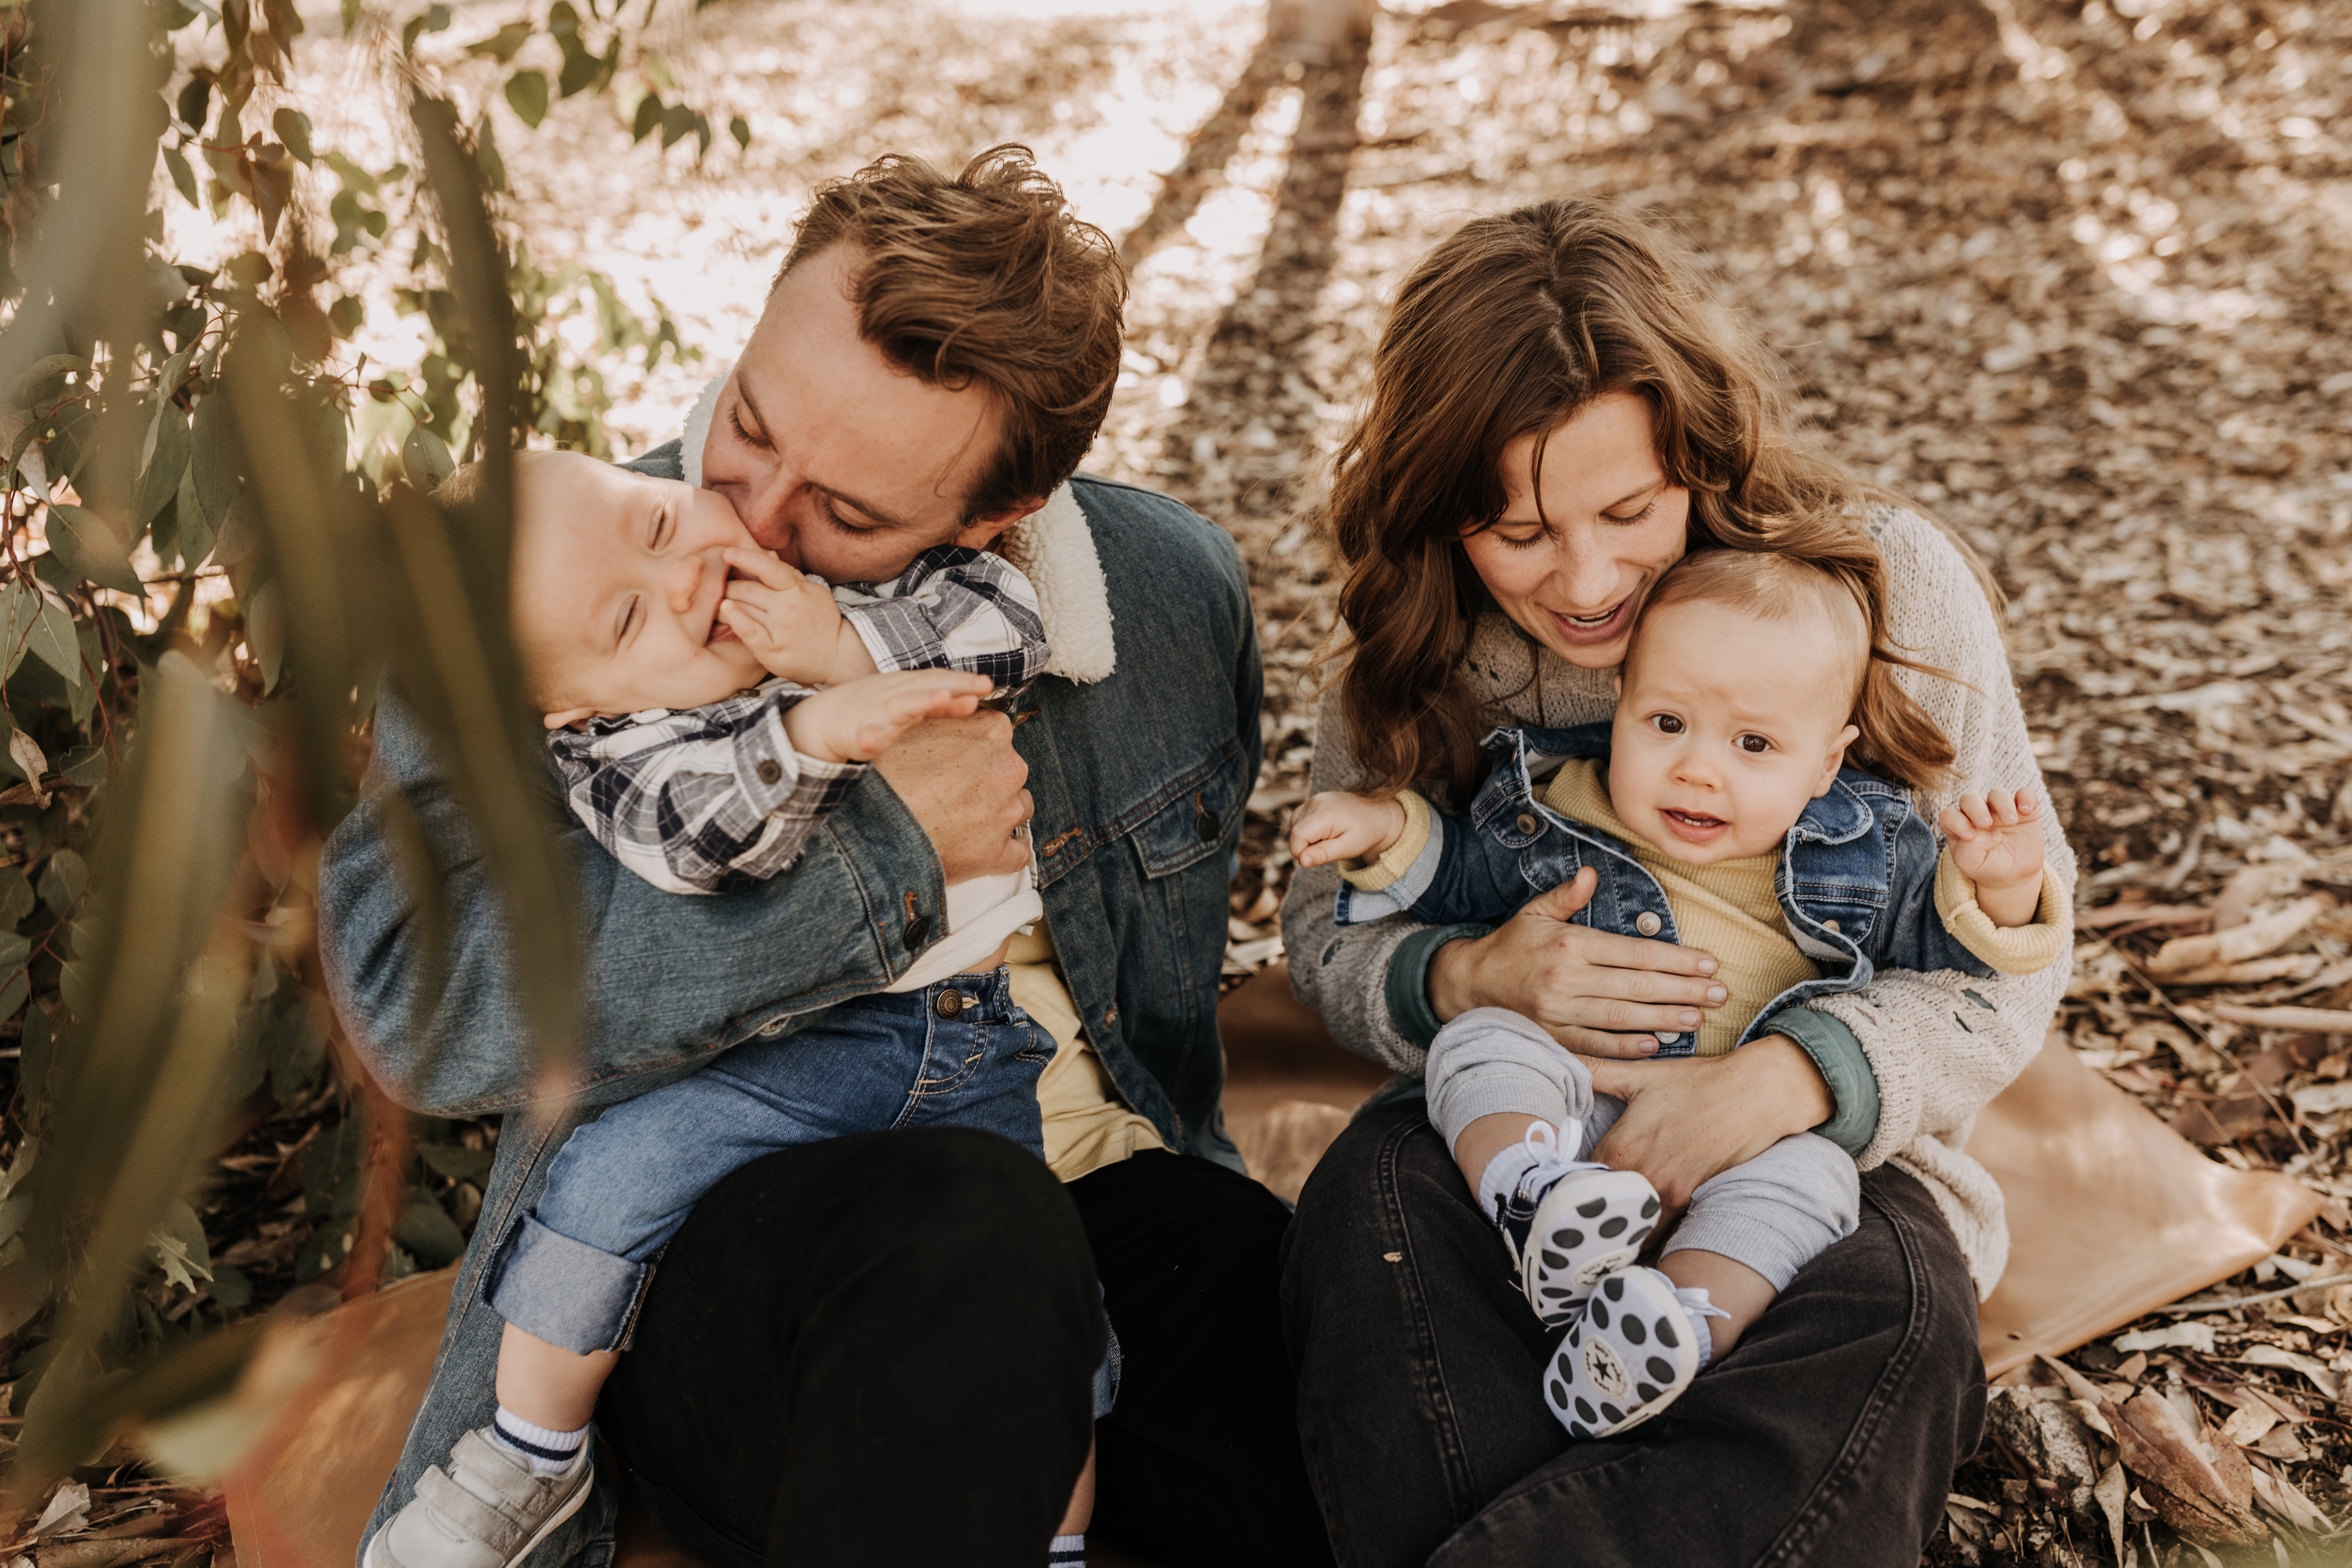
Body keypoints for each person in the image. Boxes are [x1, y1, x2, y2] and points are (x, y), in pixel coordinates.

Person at [321, 147, 1332, 1568]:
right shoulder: (545, 597)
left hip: (1082, 1179)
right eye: (747, 422)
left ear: (999, 520)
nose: (752, 516)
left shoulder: (1173, 600)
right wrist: (880, 856)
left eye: (849, 515)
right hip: (725, 1229)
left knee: (1345, 1360)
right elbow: (423, 1004)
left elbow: (1164, 1037)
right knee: (975, 1239)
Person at [1277, 198, 2074, 1566]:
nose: (1586, 580)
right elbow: (1326, 934)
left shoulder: (1881, 589)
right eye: (1514, 532)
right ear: (1440, 515)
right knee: (1372, 1223)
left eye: (1630, 510)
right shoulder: (1423, 641)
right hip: (1517, 1157)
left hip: (1823, 1165)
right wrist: (1459, 973)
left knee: (1899, 1313)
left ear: (1698, 451)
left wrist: (1790, 1079)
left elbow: (2011, 970)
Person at [366, 446, 1125, 1568]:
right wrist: (810, 734)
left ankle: (1056, 1544)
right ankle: (530, 1454)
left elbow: (1007, 624)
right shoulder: (624, 749)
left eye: (663, 528)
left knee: (1052, 1301)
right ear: (573, 701)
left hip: (966, 1040)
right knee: (613, 1170)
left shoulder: (831, 602)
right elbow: (699, 843)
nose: (684, 586)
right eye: (628, 619)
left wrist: (835, 648)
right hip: (791, 1056)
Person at [1287, 548, 2066, 1440]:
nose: (1700, 769)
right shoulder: (1559, 807)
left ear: (1825, 765)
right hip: (1570, 1103)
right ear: (1617, 707)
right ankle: (1525, 1190)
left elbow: (1952, 960)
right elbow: (1459, 869)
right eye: (1666, 723)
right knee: (1480, 1043)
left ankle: (1673, 1328)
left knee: (1816, 1183)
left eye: (1754, 745)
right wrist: (1384, 828)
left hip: (1751, 1141)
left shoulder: (1863, 854)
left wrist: (1999, 890)